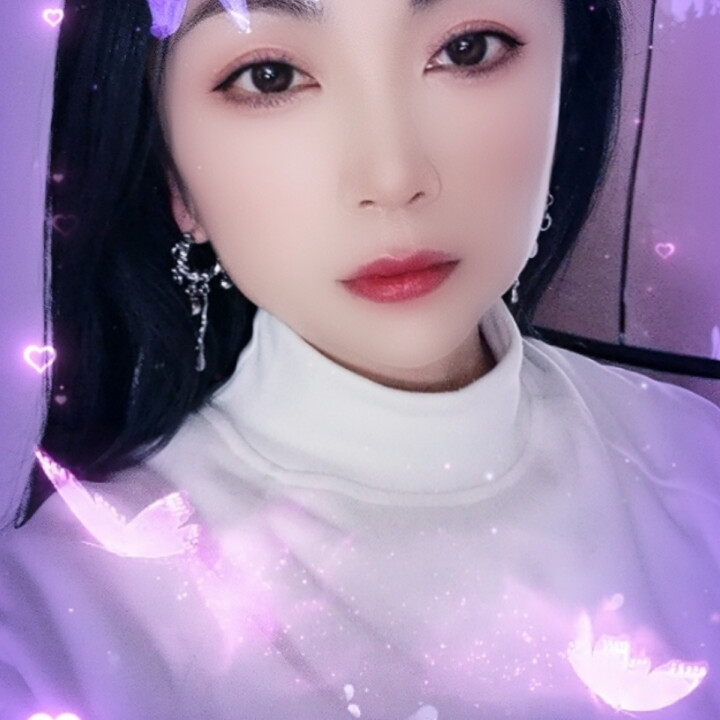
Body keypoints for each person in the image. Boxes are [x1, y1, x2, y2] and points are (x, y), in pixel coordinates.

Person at [1, 0, 718, 718]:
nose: (392, 176)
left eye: (468, 48)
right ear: (173, 172)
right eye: (269, 75)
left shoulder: (696, 461)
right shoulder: (60, 630)